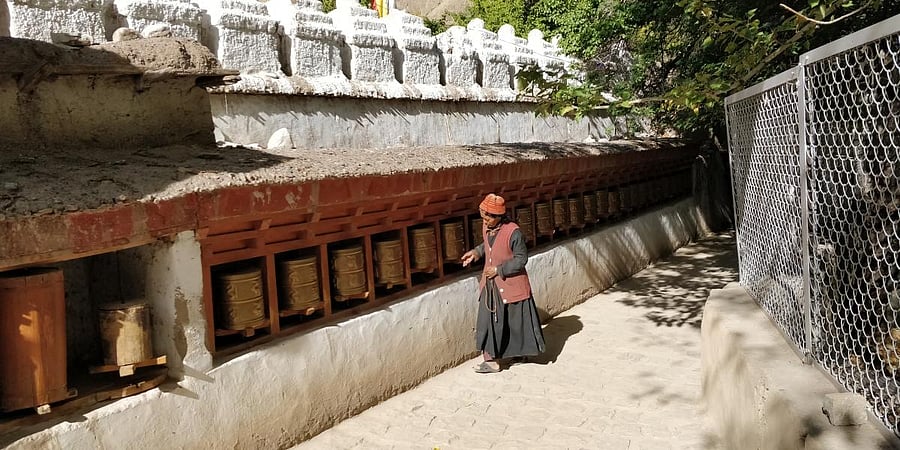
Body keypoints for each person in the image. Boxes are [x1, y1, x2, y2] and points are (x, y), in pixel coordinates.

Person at [461, 193, 546, 373]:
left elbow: (521, 259)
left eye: (488, 218)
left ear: (498, 217)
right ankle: (492, 361)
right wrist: (476, 252)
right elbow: (488, 245)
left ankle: (519, 353)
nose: (484, 221)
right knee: (488, 321)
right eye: (482, 216)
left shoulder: (513, 232)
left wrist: (499, 270)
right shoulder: (487, 227)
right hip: (491, 286)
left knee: (516, 321)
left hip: (511, 284)